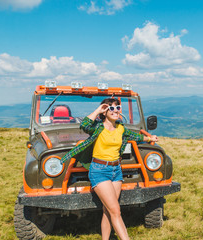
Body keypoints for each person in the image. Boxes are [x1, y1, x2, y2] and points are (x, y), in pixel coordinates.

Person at [60, 98, 158, 240]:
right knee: (116, 211)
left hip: (116, 171)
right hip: (99, 171)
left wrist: (150, 139)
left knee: (108, 210)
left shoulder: (121, 128)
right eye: (111, 108)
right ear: (105, 112)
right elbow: (84, 125)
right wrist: (99, 110)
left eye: (117, 107)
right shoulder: (98, 127)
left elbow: (136, 136)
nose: (115, 110)